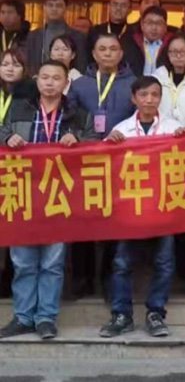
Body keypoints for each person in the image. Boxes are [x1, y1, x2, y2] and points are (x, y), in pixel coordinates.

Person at [0, 59, 96, 340]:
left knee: (53, 263)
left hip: (60, 196)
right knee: (23, 262)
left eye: (56, 78)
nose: (50, 82)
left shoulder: (79, 115)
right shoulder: (19, 109)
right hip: (24, 194)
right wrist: (8, 139)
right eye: (45, 77)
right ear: (37, 81)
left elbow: (95, 145)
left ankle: (45, 318)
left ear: (66, 83)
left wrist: (78, 142)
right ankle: (23, 317)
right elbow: (1, 131)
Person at [99, 76, 185, 339]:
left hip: (164, 206)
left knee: (164, 262)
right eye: (144, 95)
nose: (149, 100)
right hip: (130, 206)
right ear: (134, 98)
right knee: (122, 262)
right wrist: (108, 143)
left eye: (155, 95)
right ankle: (121, 314)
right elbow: (105, 165)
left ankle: (155, 313)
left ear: (161, 98)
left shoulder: (174, 127)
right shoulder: (121, 130)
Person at [67, 33, 137, 298]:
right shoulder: (79, 84)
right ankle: (81, 278)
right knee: (82, 219)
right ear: (94, 54)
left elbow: (140, 118)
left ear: (121, 54)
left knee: (114, 221)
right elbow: (69, 118)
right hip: (84, 162)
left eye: (113, 49)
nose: (108, 53)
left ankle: (108, 278)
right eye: (102, 49)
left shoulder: (133, 83)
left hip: (120, 161)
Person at [0, 48, 35, 299]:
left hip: (17, 170)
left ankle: (11, 279)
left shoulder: (31, 95)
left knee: (14, 224)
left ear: (25, 69)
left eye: (15, 64)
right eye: (5, 64)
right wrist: (4, 136)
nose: (9, 69)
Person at [26, 0, 87, 75]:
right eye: (50, 5)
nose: (54, 9)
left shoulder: (78, 37)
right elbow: (29, 63)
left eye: (59, 6)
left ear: (66, 8)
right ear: (44, 8)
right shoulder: (34, 36)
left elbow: (81, 64)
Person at [121, 6, 174, 77]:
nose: (154, 28)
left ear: (165, 27)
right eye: (150, 22)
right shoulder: (129, 43)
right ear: (142, 25)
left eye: (159, 23)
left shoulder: (173, 44)